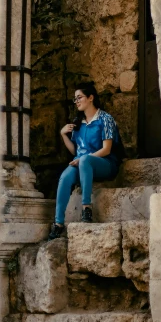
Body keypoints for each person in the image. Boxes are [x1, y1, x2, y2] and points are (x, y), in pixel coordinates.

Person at [48, 81, 122, 240]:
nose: (76, 101)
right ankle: (58, 223)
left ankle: (86, 208)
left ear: (90, 98)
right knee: (65, 177)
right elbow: (76, 151)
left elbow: (106, 149)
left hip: (104, 163)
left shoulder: (105, 119)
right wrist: (63, 135)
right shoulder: (77, 123)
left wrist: (83, 159)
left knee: (85, 160)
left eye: (79, 97)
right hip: (81, 162)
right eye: (75, 99)